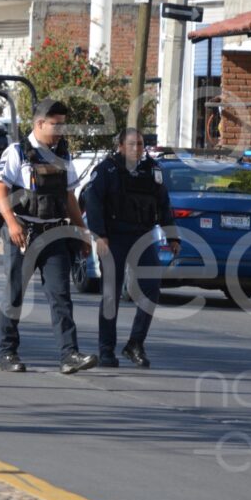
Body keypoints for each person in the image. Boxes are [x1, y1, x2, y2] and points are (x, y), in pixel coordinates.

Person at [0, 99, 98, 375]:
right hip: (23, 233)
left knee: (61, 296)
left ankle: (69, 355)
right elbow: (0, 191)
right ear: (40, 123)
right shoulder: (17, 152)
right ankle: (7, 352)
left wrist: (82, 233)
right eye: (57, 124)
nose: (62, 130)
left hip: (54, 234)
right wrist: (12, 224)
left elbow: (69, 197)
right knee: (15, 294)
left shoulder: (62, 154)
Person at [84, 128, 180, 368]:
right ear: (120, 147)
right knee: (111, 294)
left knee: (151, 288)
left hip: (143, 236)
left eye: (140, 144)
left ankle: (135, 343)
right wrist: (99, 236)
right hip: (114, 237)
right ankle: (106, 349)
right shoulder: (107, 170)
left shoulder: (152, 171)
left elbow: (163, 204)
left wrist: (172, 236)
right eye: (132, 144)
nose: (137, 148)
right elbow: (93, 202)